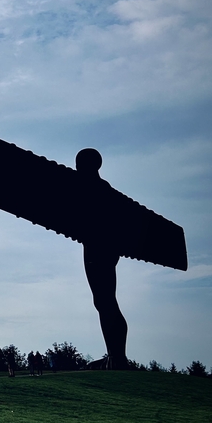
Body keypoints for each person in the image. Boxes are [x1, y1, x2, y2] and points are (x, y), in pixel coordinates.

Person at [76, 148, 129, 370]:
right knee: (103, 301)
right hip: (100, 248)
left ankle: (117, 357)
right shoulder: (101, 188)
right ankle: (114, 355)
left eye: (79, 164)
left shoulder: (91, 188)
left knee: (106, 301)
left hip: (98, 249)